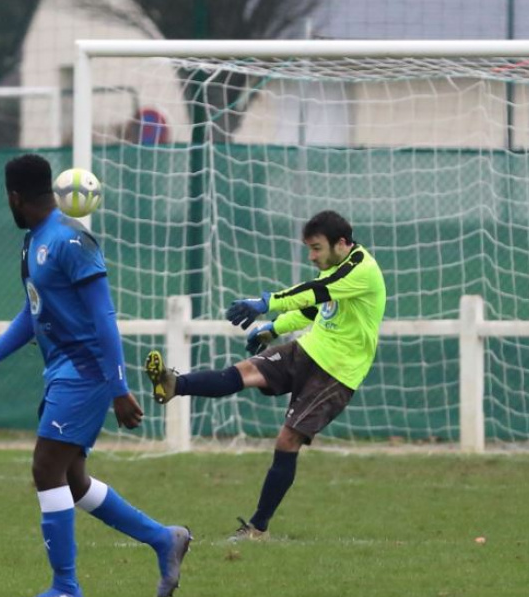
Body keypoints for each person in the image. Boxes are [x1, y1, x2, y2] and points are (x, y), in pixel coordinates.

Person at [0, 154, 192, 597]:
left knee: (46, 468)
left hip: (86, 371)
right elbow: (34, 311)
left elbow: (104, 317)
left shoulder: (71, 240)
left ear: (14, 197)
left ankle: (65, 587)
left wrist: (118, 388)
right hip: (64, 369)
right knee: (73, 480)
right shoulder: (33, 242)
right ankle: (164, 539)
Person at [145, 210, 386, 541]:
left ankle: (257, 528)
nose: (312, 257)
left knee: (287, 440)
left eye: (317, 248)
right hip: (308, 349)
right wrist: (273, 328)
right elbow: (313, 309)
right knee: (245, 371)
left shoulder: (362, 270)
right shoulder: (339, 269)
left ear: (341, 243)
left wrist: (266, 302)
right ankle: (174, 385)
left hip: (337, 372)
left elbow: (316, 292)